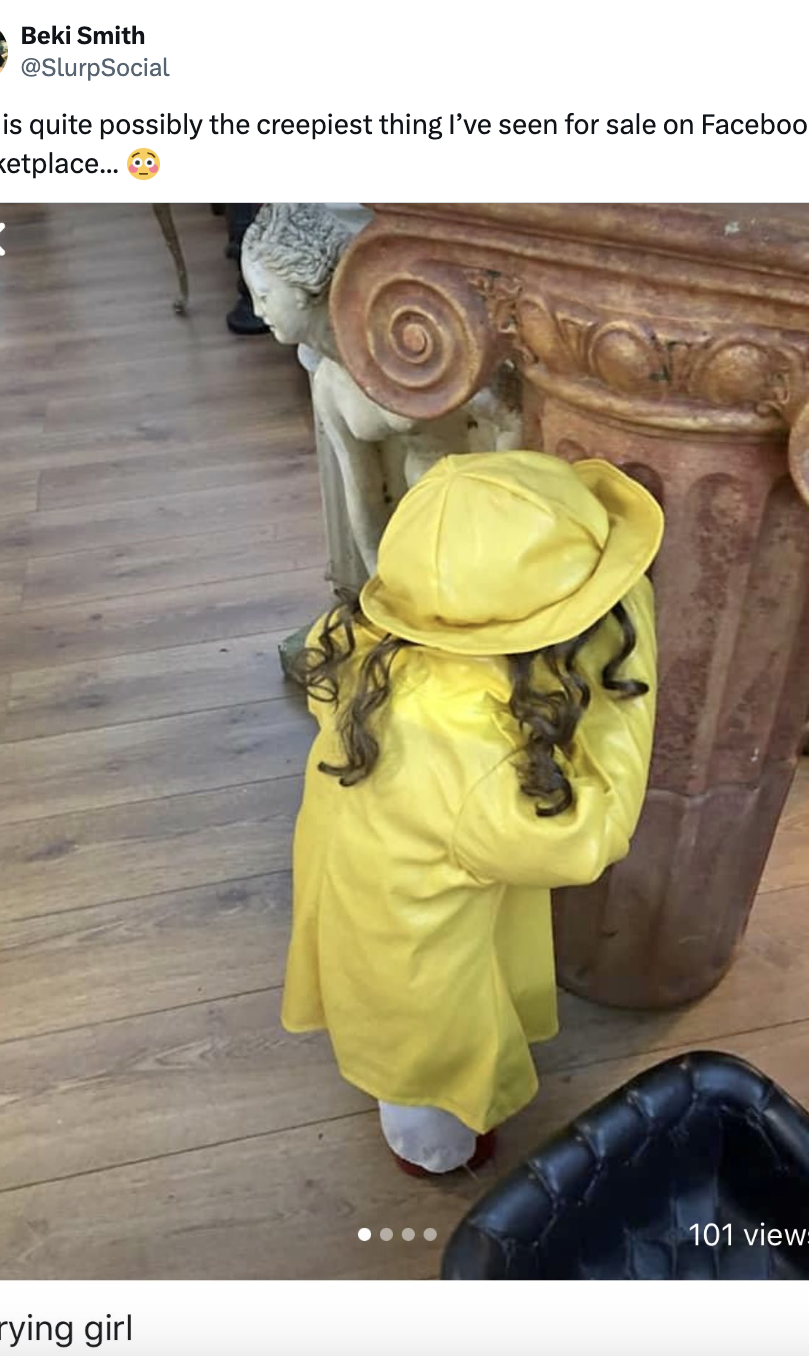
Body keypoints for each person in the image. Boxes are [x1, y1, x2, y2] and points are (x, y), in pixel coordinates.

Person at [283, 450, 664, 1174]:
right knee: (428, 1077)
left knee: (393, 1020)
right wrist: (632, 638)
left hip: (357, 900)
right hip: (415, 960)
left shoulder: (367, 650)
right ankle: (433, 1152)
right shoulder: (483, 758)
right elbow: (588, 837)